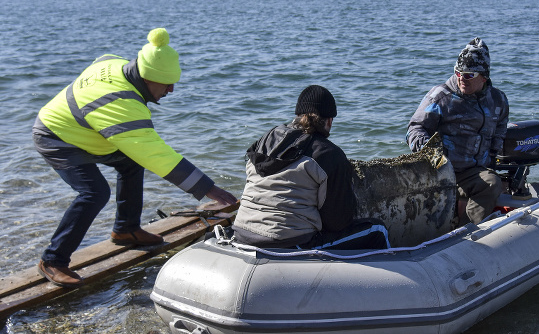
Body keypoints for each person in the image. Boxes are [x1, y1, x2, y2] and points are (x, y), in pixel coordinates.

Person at [32, 28, 239, 287]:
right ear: (148, 77)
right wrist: (208, 188)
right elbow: (155, 154)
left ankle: (126, 229)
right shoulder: (120, 104)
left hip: (89, 131)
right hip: (57, 136)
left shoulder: (118, 65)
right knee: (94, 192)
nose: (171, 90)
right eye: (167, 84)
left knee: (130, 162)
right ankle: (52, 260)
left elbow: (101, 59)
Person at [231, 85, 388, 250]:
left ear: (298, 115)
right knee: (377, 230)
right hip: (290, 242)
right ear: (329, 120)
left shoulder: (266, 138)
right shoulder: (329, 154)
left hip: (242, 233)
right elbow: (337, 222)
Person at [407, 37, 509, 224]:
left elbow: (501, 126)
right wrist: (433, 155)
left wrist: (495, 153)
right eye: (458, 72)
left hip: (478, 169)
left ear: (484, 77)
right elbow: (414, 129)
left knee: (494, 181)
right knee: (491, 184)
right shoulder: (440, 97)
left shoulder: (498, 100)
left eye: (469, 75)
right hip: (445, 170)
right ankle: (463, 234)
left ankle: (466, 228)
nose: (462, 78)